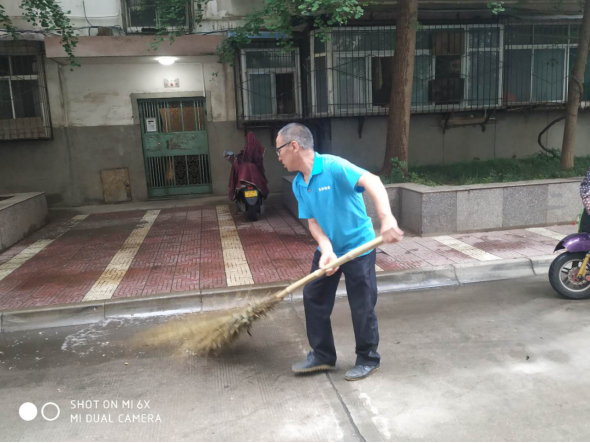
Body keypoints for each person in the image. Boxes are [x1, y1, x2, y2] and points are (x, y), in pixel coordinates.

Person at [276, 123, 404, 382]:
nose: (278, 157)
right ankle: (323, 355)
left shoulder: (333, 167)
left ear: (294, 146)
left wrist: (386, 218)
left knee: (362, 304)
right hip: (329, 250)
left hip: (359, 247)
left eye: (279, 150)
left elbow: (372, 180)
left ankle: (368, 358)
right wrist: (326, 250)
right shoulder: (299, 184)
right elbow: (313, 222)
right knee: (313, 295)